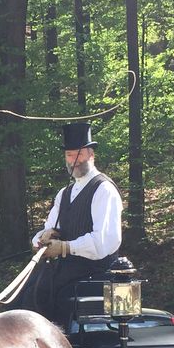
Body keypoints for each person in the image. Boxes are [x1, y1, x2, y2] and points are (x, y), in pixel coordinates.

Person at [18, 121, 124, 322]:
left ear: (91, 155)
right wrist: (43, 237)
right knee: (23, 290)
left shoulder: (104, 190)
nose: (73, 160)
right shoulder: (63, 194)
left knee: (39, 294)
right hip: (64, 269)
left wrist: (65, 247)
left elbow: (103, 243)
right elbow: (49, 228)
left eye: (79, 154)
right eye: (69, 155)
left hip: (94, 270)